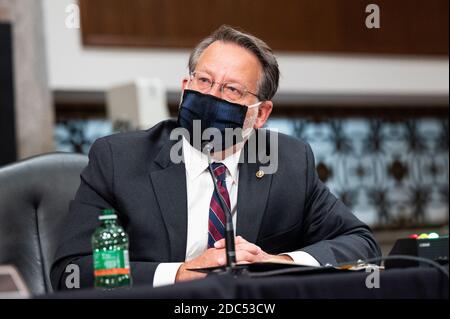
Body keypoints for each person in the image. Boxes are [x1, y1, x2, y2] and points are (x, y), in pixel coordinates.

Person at [51, 25, 380, 289]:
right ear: (185, 88)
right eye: (204, 81)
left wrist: (282, 263)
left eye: (231, 90)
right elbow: (73, 270)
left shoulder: (289, 161)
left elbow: (361, 242)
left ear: (261, 113)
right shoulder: (118, 160)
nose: (211, 97)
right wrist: (178, 274)